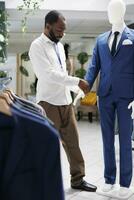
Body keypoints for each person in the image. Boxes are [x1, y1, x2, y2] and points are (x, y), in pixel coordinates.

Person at [29, 10, 97, 192]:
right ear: (47, 26)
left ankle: (78, 180)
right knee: (48, 145)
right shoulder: (37, 46)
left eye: (64, 30)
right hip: (48, 103)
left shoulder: (59, 46)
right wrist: (77, 81)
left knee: (73, 143)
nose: (62, 33)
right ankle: (42, 181)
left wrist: (77, 88)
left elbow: (62, 75)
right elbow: (48, 75)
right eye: (59, 30)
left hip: (65, 101)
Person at [84, 0, 134, 198]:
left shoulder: (132, 37)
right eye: (109, 10)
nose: (111, 13)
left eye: (115, 9)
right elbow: (93, 67)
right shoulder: (101, 39)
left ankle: (125, 182)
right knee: (106, 140)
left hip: (127, 96)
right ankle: (109, 179)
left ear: (123, 12)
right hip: (104, 95)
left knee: (124, 139)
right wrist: (84, 87)